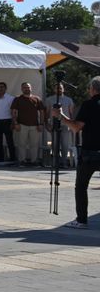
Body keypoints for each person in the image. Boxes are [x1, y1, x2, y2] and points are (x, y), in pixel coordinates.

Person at [56, 77, 100, 229]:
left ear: (93, 89)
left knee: (81, 186)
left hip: (90, 153)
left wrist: (61, 116)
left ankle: (81, 220)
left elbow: (76, 127)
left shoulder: (89, 105)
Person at [10, 82, 45, 167]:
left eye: (28, 87)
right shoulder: (17, 99)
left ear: (31, 88)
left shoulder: (37, 98)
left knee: (34, 145)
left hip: (35, 125)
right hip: (22, 125)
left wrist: (41, 124)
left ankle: (34, 161)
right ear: (22, 89)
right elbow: (13, 112)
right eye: (25, 87)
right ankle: (22, 161)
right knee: (21, 144)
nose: (27, 89)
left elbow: (42, 112)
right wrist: (16, 123)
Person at [43, 80, 75, 165]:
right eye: (57, 88)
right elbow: (46, 113)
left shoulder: (69, 100)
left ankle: (64, 162)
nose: (59, 90)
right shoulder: (49, 99)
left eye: (60, 88)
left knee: (65, 145)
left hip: (65, 125)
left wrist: (72, 125)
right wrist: (46, 124)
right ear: (54, 90)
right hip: (54, 125)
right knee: (55, 145)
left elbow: (71, 114)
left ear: (63, 89)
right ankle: (55, 162)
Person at [0, 81, 16, 162]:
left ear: (5, 88)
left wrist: (13, 122)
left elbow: (13, 111)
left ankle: (12, 159)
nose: (0, 88)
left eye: (2, 87)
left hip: (7, 121)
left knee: (9, 141)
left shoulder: (10, 98)